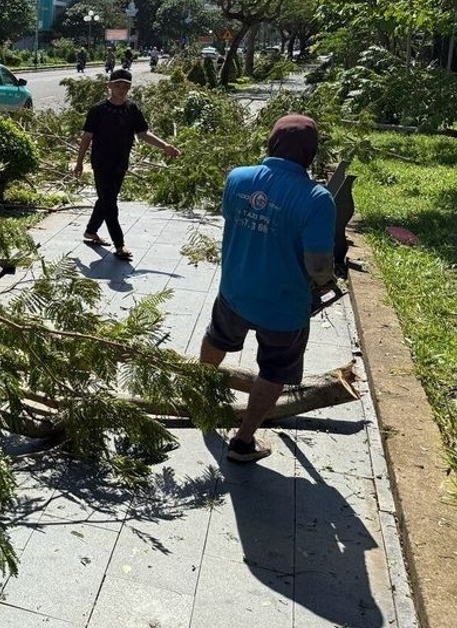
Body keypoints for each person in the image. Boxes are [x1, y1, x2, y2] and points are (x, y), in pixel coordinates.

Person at [199, 114, 336, 463]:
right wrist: (327, 282)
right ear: (310, 154)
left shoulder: (238, 178)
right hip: (283, 307)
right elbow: (318, 265)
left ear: (272, 142)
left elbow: (237, 221)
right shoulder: (317, 199)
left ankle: (198, 395)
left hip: (235, 290)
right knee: (274, 368)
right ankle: (243, 442)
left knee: (217, 338)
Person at [73, 69, 181, 260]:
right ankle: (119, 244)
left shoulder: (132, 109)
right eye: (117, 85)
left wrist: (165, 146)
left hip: (121, 163)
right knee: (111, 204)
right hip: (101, 163)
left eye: (125, 86)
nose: (121, 90)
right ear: (109, 86)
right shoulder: (97, 110)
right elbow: (86, 137)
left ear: (129, 88)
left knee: (106, 199)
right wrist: (79, 162)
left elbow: (143, 133)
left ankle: (90, 231)